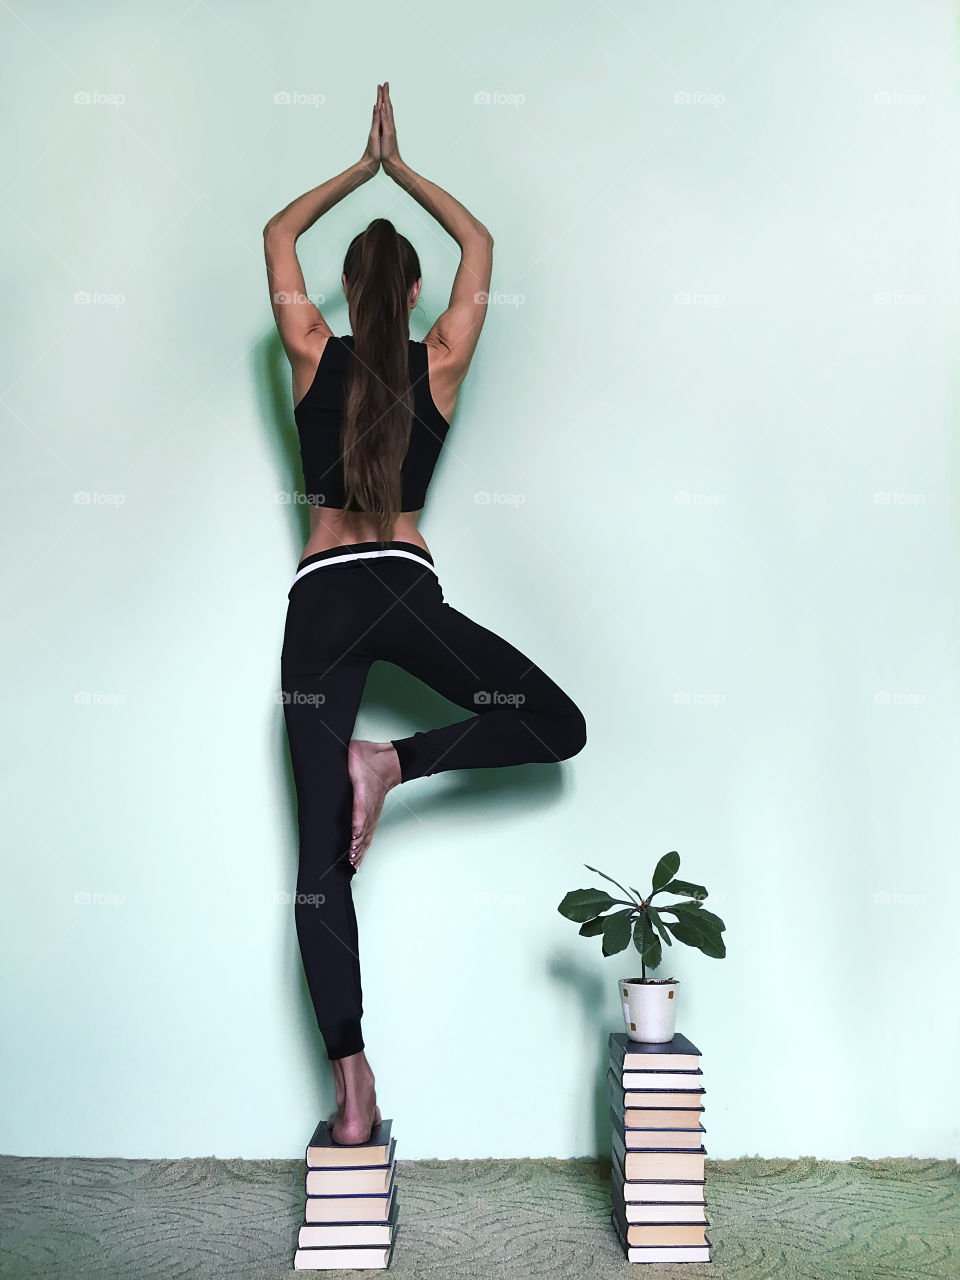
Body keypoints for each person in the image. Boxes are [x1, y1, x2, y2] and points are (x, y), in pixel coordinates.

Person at [263, 83, 587, 1145]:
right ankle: (395, 763)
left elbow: (275, 233)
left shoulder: (311, 345)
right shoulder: (440, 361)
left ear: (353, 291)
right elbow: (481, 239)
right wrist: (403, 170)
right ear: (411, 298)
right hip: (402, 591)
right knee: (552, 719)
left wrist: (358, 170)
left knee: (318, 869)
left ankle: (353, 1084)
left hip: (319, 608)